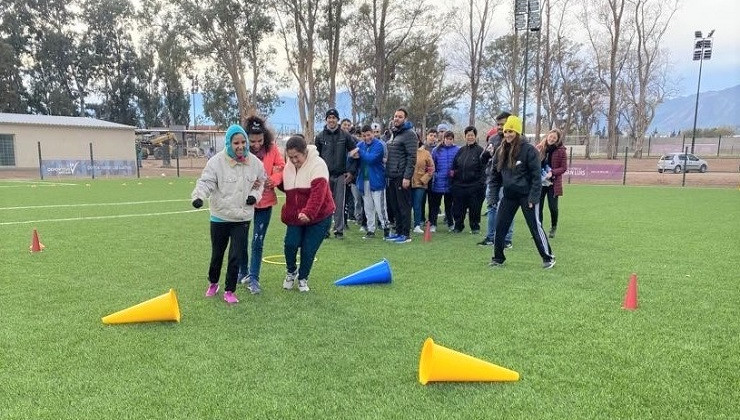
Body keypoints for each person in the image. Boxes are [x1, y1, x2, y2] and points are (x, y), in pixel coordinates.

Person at [191, 124, 265, 304]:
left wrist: (254, 196)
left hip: (242, 217)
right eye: (235, 143)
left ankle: (230, 290)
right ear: (229, 143)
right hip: (220, 217)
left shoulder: (255, 163)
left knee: (236, 255)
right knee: (217, 253)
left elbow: (260, 182)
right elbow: (206, 182)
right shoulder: (216, 162)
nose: (240, 146)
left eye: (242, 142)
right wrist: (199, 196)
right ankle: (213, 282)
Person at [489, 115, 555, 269]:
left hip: (527, 196)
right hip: (509, 196)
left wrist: (533, 197)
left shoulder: (529, 150)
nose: (508, 135)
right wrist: (493, 196)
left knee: (535, 226)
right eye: (506, 131)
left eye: (511, 131)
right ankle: (498, 258)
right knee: (500, 227)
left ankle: (548, 257)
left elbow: (536, 177)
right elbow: (494, 176)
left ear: (517, 132)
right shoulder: (500, 151)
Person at [279, 135, 335, 292]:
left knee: (308, 249)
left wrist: (309, 212)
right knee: (290, 243)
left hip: (319, 216)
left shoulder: (318, 165)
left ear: (304, 152)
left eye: (296, 157)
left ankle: (303, 278)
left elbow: (319, 193)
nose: (293, 160)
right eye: (290, 157)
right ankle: (291, 272)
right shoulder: (289, 166)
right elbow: (289, 187)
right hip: (296, 215)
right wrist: (275, 181)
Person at [238, 115, 285, 294]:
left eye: (260, 140)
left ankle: (254, 278)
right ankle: (243, 271)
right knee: (240, 239)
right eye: (252, 141)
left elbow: (280, 167)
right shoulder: (241, 149)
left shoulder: (272, 149)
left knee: (258, 241)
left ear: (265, 137)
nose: (256, 144)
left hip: (264, 202)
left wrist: (273, 180)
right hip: (244, 203)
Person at [315, 108, 357, 239]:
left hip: (340, 175)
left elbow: (355, 153)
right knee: (325, 204)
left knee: (339, 204)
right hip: (325, 176)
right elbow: (316, 157)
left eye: (334, 118)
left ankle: (339, 230)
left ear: (337, 120)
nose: (331, 120)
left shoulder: (345, 135)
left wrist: (351, 172)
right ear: (326, 119)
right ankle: (324, 230)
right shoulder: (320, 136)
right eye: (329, 118)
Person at [478, 111, 514, 247]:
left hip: (507, 181)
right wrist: (487, 153)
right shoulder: (492, 139)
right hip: (493, 180)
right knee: (491, 208)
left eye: (502, 124)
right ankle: (490, 237)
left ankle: (507, 239)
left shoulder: (515, 140)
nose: (500, 127)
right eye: (498, 124)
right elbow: (483, 159)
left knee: (506, 209)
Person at [383, 108, 418, 243]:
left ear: (405, 119)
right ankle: (398, 231)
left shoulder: (410, 134)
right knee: (395, 206)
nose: (397, 118)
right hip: (391, 175)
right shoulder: (394, 134)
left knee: (404, 206)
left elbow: (411, 157)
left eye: (400, 117)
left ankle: (405, 234)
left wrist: (407, 177)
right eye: (395, 116)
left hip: (401, 176)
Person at [350, 125, 390, 239]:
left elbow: (370, 159)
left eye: (369, 135)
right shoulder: (360, 145)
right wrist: (352, 155)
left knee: (380, 207)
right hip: (364, 180)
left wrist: (359, 152)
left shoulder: (379, 145)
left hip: (376, 180)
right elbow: (351, 156)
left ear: (372, 133)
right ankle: (370, 229)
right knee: (368, 207)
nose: (367, 138)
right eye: (364, 136)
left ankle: (386, 227)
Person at [450, 126, 486, 234]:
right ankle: (458, 226)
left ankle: (475, 227)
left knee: (475, 208)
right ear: (465, 136)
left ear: (475, 136)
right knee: (458, 207)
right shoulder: (461, 151)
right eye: (468, 135)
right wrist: (454, 179)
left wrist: (480, 183)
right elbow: (454, 166)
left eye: (472, 135)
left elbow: (484, 169)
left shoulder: (480, 151)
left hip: (474, 185)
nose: (470, 137)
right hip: (460, 185)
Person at [538, 129, 568, 238]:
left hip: (553, 184)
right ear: (547, 136)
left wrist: (552, 172)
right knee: (538, 207)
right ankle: (538, 228)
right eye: (551, 137)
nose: (552, 139)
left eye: (554, 138)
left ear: (557, 140)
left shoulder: (561, 151)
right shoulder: (540, 147)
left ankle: (553, 226)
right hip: (540, 183)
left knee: (553, 207)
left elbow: (564, 168)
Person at [428, 131, 460, 233]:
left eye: (451, 139)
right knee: (435, 205)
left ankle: (451, 224)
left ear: (453, 140)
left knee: (449, 205)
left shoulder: (457, 150)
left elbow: (459, 165)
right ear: (443, 139)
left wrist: (454, 172)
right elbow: (432, 165)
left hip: (451, 183)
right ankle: (433, 224)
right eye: (447, 138)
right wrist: (436, 175)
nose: (448, 141)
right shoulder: (436, 150)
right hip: (438, 182)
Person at [411, 133, 435, 233]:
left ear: (418, 140)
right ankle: (406, 224)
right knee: (406, 205)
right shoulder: (406, 152)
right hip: (407, 183)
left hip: (420, 184)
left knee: (417, 205)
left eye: (415, 139)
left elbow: (431, 168)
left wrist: (423, 180)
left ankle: (417, 225)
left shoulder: (425, 153)